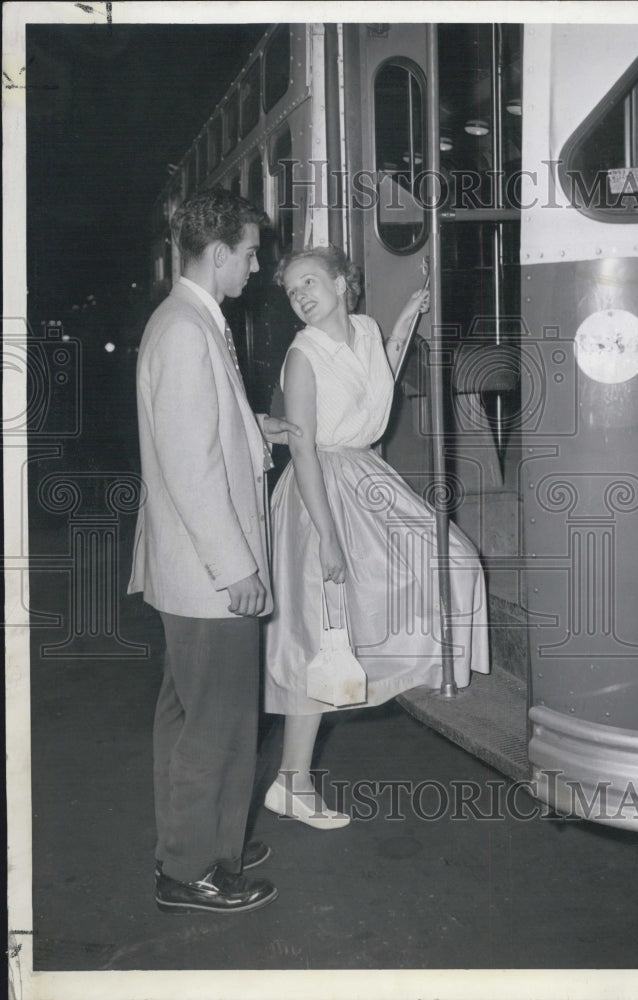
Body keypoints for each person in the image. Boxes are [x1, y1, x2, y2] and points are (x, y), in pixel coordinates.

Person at [262, 245, 489, 829]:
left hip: (364, 474)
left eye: (310, 282)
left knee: (454, 562)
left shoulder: (364, 329)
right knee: (323, 630)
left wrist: (409, 316)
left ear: (343, 283)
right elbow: (304, 446)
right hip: (321, 491)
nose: (302, 296)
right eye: (292, 291)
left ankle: (426, 672)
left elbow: (376, 379)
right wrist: (328, 535)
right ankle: (292, 783)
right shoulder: (302, 357)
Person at [128, 187, 300, 913]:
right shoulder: (187, 331)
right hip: (210, 575)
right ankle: (195, 869)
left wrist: (258, 429)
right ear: (222, 251)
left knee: (186, 714)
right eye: (253, 254)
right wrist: (239, 570)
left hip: (186, 570)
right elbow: (191, 467)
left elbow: (201, 430)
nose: (257, 269)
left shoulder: (191, 321)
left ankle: (197, 840)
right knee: (219, 725)